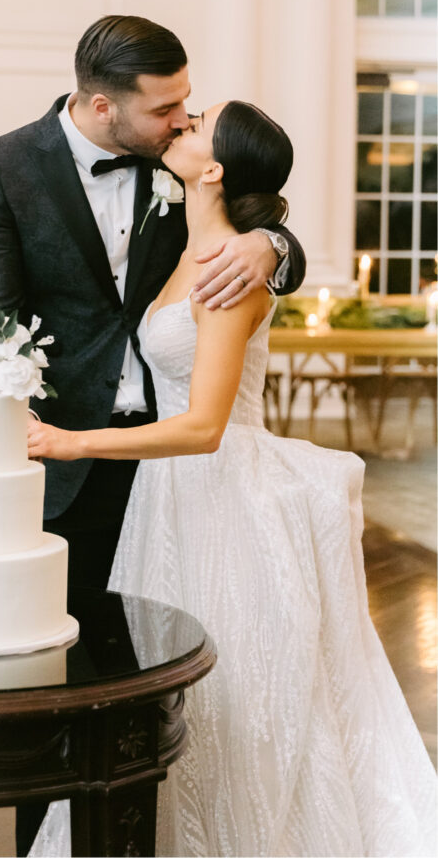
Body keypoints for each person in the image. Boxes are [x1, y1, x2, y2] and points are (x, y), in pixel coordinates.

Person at [26, 100, 437, 857]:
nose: (178, 124)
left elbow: (204, 427)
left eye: (195, 124)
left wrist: (69, 441)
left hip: (223, 491)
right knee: (175, 685)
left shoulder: (234, 271)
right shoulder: (184, 242)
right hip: (168, 494)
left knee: (237, 688)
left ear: (212, 168)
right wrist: (270, 241)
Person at [0, 15, 306, 855]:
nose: (182, 122)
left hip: (172, 467)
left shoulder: (182, 166)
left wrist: (272, 244)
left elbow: (253, 220)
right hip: (64, 464)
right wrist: (28, 449)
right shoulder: (3, 167)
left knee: (164, 682)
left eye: (189, 106)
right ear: (100, 104)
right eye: (165, 110)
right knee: (53, 683)